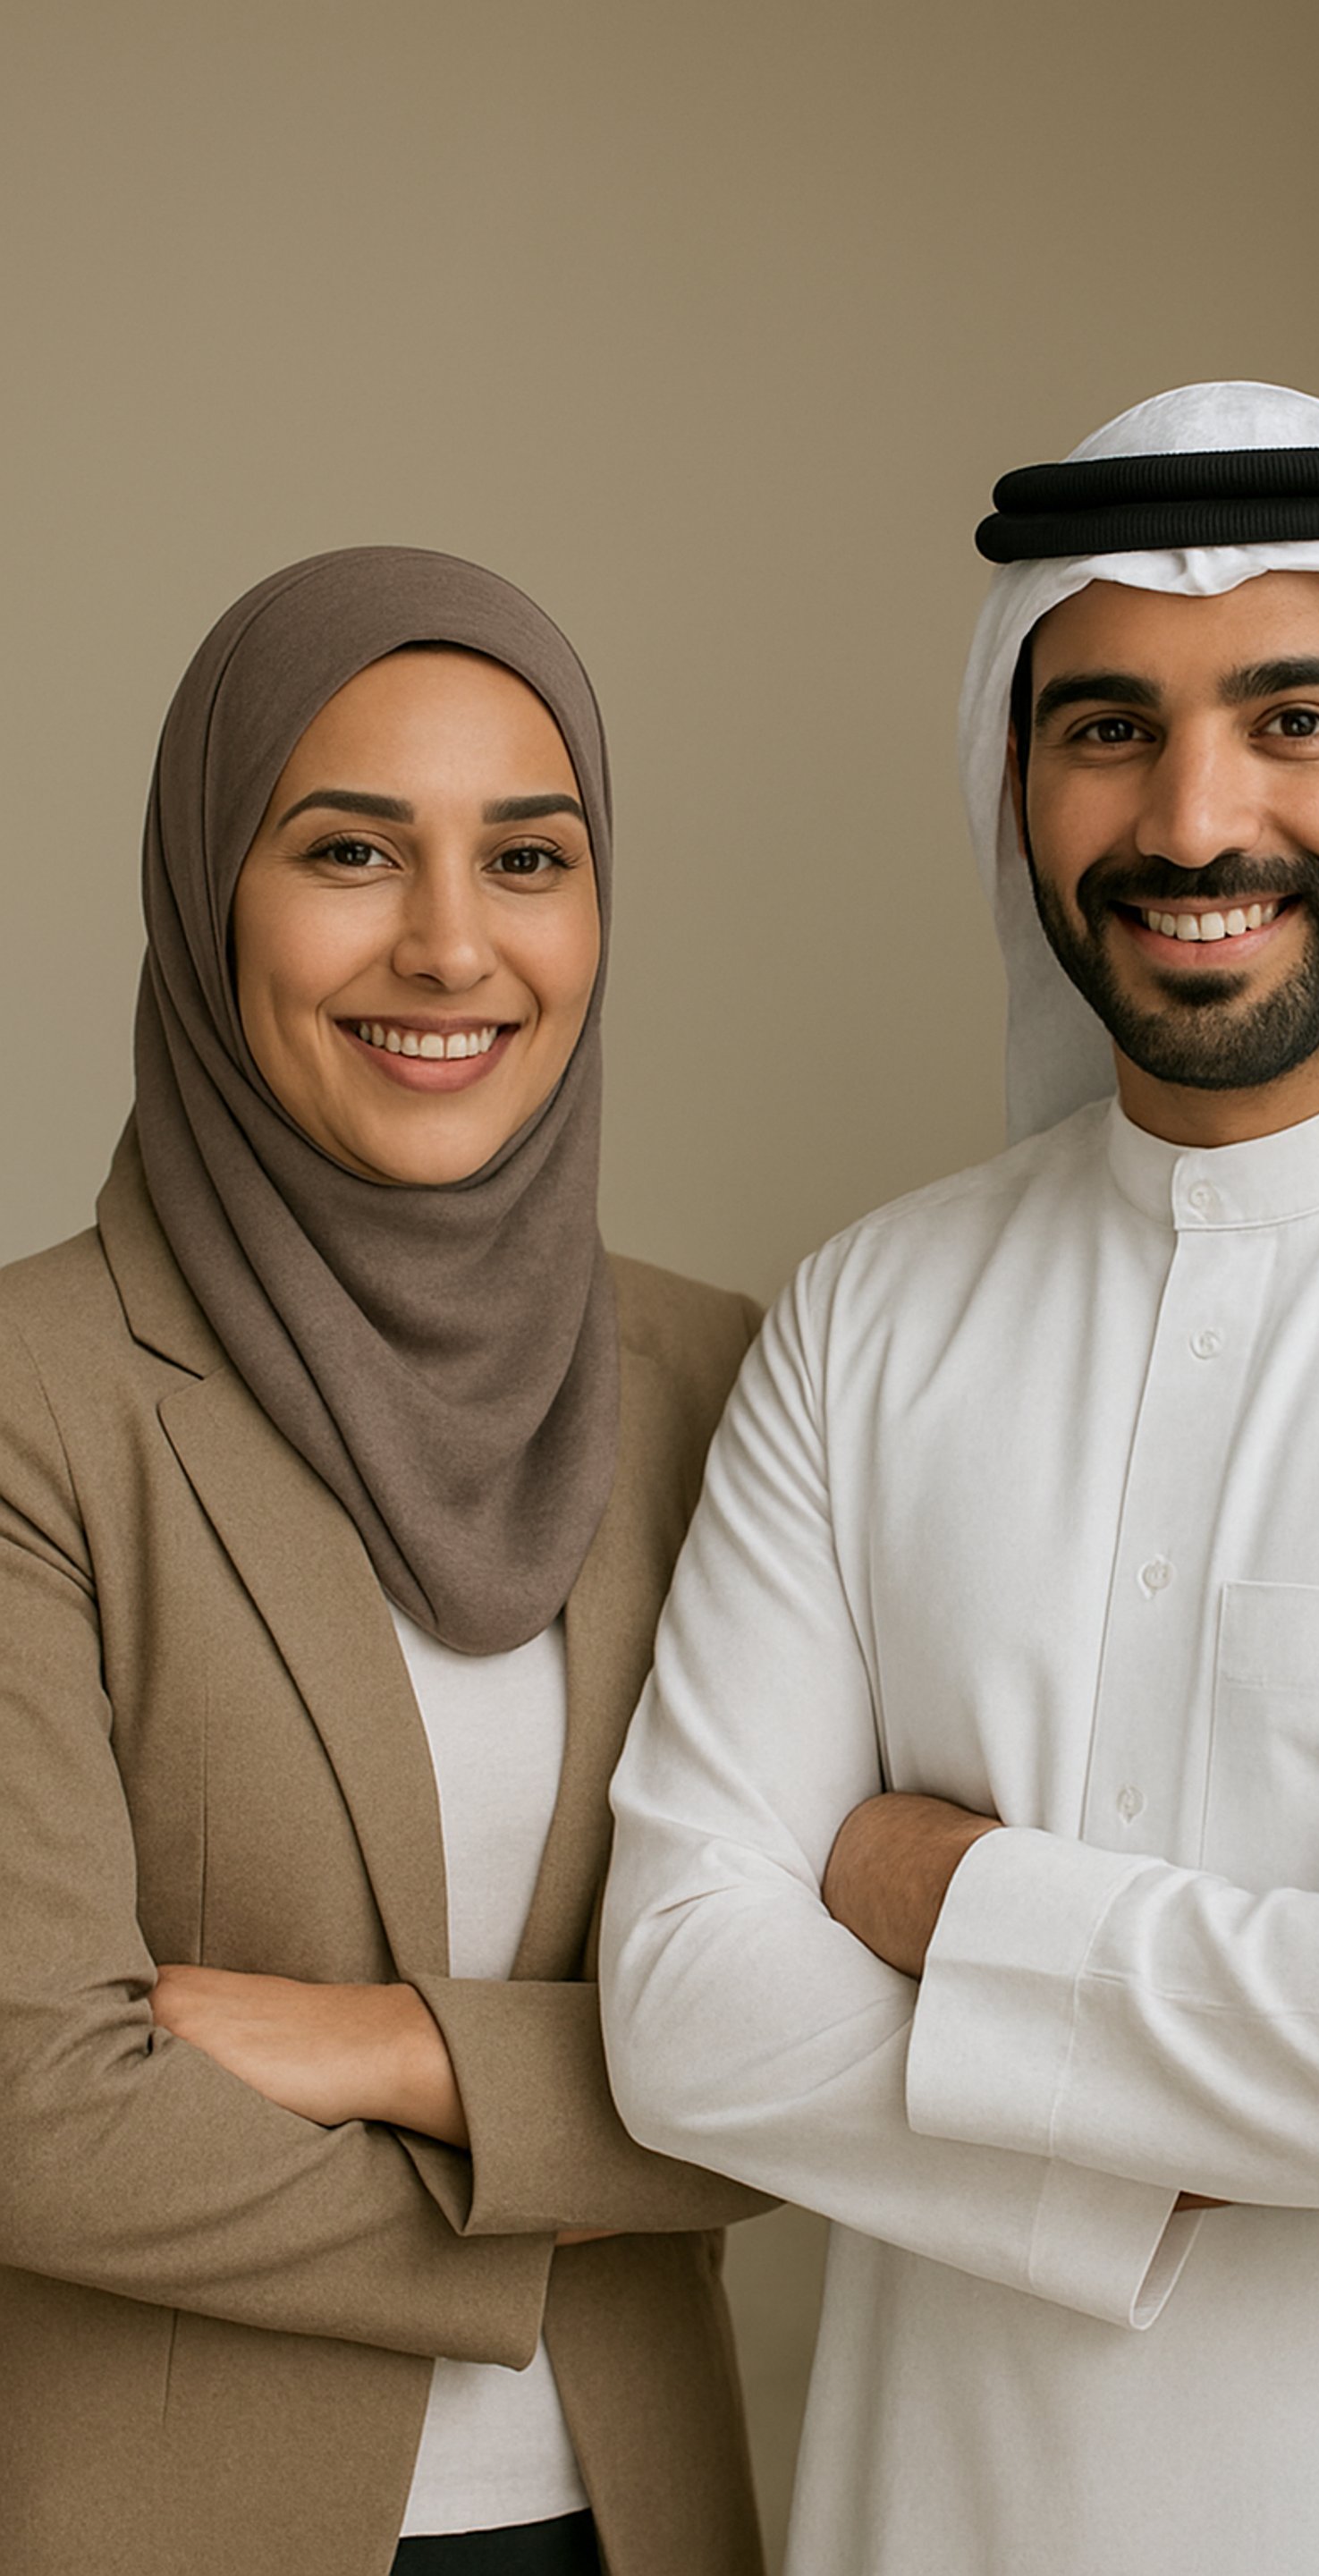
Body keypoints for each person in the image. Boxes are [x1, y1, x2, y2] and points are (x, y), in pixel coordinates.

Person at [600, 385, 1319, 2575]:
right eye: (1106, 728)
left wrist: (941, 1897)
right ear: (1020, 790)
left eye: (1294, 718)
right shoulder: (868, 1318)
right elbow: (683, 2014)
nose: (1194, 818)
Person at [0, 548, 769, 2576]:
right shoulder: (32, 1403)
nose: (450, 948)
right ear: (203, 887)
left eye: (529, 861)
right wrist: (588, 2173)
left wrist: (396, 2055)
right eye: (352, 851)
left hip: (639, 2519)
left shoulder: (734, 1387)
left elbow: (849, 2037)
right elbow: (32, 2102)